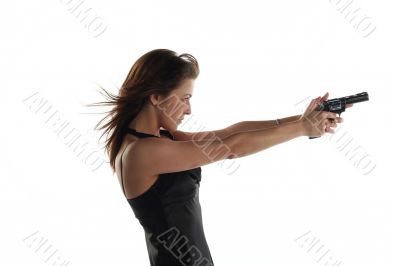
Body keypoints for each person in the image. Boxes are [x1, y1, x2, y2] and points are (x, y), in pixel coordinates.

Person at [90, 48, 350, 266]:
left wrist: (304, 118)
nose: (189, 110)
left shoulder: (159, 140)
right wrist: (303, 128)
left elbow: (231, 133)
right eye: (185, 98)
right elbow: (231, 147)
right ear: (157, 98)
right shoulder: (142, 152)